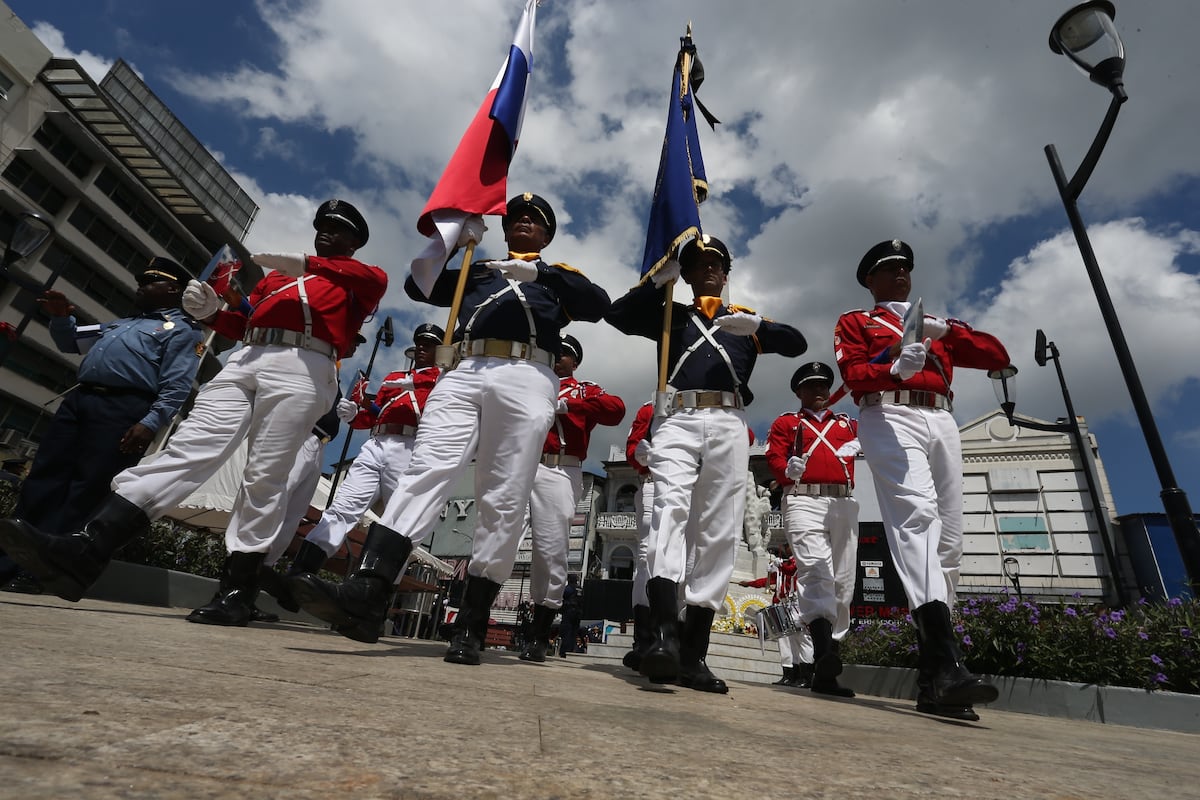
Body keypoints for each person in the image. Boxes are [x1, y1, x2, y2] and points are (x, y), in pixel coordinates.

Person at [0, 200, 387, 626]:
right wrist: (213, 312)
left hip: (303, 367)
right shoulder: (276, 279)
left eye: (337, 229)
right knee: (187, 448)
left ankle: (237, 591)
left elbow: (369, 281)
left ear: (354, 242)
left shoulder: (361, 279)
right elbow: (246, 324)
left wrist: (306, 263)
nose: (326, 233)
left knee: (265, 475)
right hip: (247, 358)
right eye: (322, 227)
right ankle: (87, 549)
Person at [290, 192, 611, 663]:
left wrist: (541, 273)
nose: (522, 223)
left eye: (533, 221)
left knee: (503, 496)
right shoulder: (476, 270)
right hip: (464, 371)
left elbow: (598, 304)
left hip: (527, 375)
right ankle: (369, 589)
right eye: (515, 218)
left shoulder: (559, 277)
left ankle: (473, 622)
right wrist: (452, 240)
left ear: (546, 235)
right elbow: (419, 286)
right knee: (426, 470)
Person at [605, 234, 807, 693]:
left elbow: (796, 344)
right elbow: (616, 315)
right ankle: (662, 638)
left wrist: (758, 324)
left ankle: (694, 655)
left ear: (726, 272)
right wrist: (659, 280)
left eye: (717, 263)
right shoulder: (670, 313)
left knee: (719, 530)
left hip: (730, 421)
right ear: (689, 274)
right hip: (677, 418)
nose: (709, 269)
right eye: (698, 264)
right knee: (667, 514)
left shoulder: (745, 324)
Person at [834, 238, 1010, 720]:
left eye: (905, 269)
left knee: (950, 541)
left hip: (941, 418)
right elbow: (852, 375)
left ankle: (935, 680)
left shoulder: (934, 323)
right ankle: (950, 664)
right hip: (890, 414)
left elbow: (996, 356)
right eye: (889, 270)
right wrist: (891, 365)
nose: (901, 276)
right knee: (918, 519)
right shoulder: (857, 321)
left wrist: (947, 332)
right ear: (870, 280)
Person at [0, 259, 202, 592]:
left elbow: (177, 385)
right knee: (42, 480)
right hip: (81, 402)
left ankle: (43, 573)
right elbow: (71, 343)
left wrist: (151, 422)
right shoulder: (121, 325)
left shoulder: (182, 329)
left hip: (123, 409)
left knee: (85, 491)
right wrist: (62, 317)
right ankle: (9, 563)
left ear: (173, 290)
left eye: (150, 281)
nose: (140, 286)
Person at [263, 324, 443, 629]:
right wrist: (356, 412)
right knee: (341, 509)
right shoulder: (395, 378)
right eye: (419, 343)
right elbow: (373, 416)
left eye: (429, 344)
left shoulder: (441, 378)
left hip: (411, 448)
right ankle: (298, 578)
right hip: (376, 443)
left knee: (396, 527)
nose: (422, 348)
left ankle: (375, 603)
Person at [520, 333, 625, 662]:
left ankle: (538, 633)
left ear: (574, 361)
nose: (556, 357)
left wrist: (572, 405)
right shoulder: (532, 380)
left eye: (563, 353)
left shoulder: (584, 388)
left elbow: (616, 410)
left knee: (550, 551)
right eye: (553, 351)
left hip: (559, 470)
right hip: (521, 464)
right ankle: (473, 622)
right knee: (496, 534)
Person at [764, 361, 861, 697]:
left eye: (824, 385)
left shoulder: (848, 424)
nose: (819, 391)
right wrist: (785, 469)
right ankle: (823, 658)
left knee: (843, 584)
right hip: (803, 498)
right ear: (799, 392)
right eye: (812, 386)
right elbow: (774, 458)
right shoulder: (786, 423)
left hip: (843, 501)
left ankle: (828, 661)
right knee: (817, 572)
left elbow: (877, 442)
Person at [738, 542, 813, 688]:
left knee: (801, 640)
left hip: (797, 604)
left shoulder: (799, 560)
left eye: (787, 547)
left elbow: (791, 570)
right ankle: (790, 674)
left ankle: (806, 676)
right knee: (786, 642)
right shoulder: (784, 564)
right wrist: (750, 583)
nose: (784, 549)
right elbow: (769, 581)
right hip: (785, 604)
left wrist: (779, 566)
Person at [557, 573, 582, 657]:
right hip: (578, 613)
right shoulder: (580, 589)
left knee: (566, 632)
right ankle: (571, 650)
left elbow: (561, 594)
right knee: (574, 633)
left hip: (569, 612)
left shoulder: (569, 588)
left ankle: (564, 651)